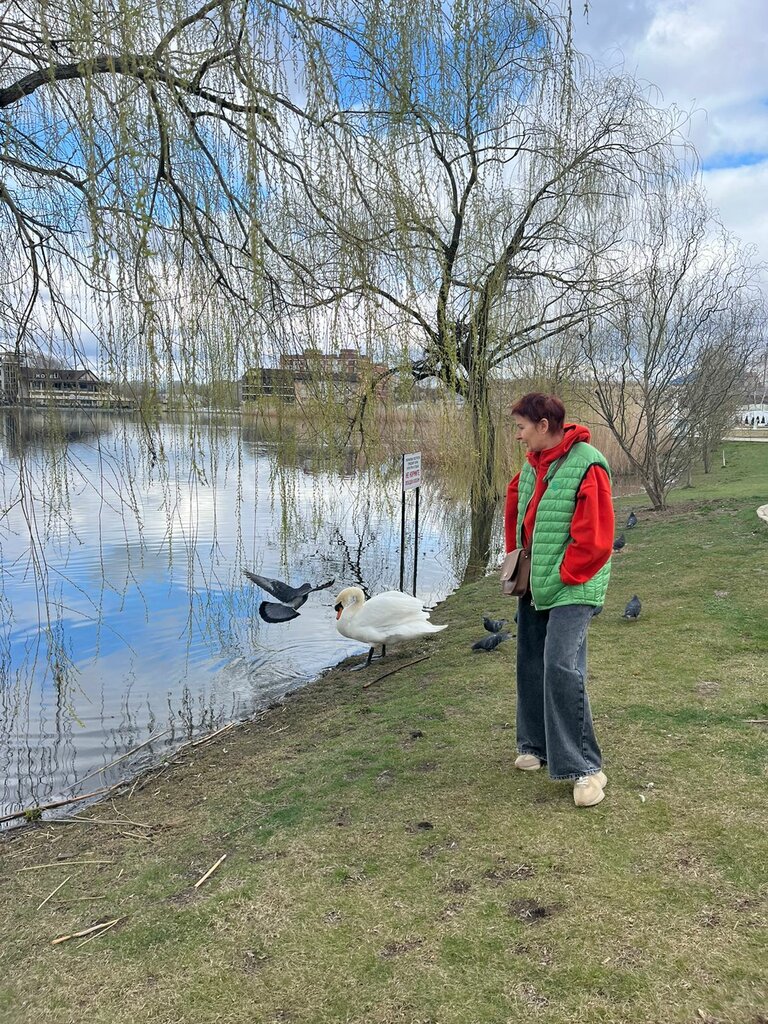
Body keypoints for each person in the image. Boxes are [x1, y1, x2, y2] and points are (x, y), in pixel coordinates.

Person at [504, 393, 614, 807]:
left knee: (561, 666)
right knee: (530, 660)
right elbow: (517, 509)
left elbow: (597, 536)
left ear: (544, 425)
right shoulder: (533, 464)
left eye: (521, 427)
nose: (518, 436)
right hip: (538, 581)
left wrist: (565, 574)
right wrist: (517, 562)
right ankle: (535, 744)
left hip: (574, 583)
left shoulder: (587, 463)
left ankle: (585, 768)